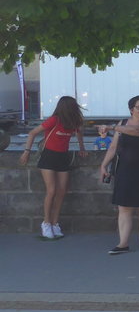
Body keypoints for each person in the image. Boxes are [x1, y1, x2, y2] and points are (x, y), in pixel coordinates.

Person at [99, 95, 139, 255]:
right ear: (131, 109)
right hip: (125, 169)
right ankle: (123, 243)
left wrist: (112, 128)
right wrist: (103, 165)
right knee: (124, 207)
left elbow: (137, 131)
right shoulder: (122, 124)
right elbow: (113, 147)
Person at [18, 95, 86, 240]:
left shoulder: (74, 121)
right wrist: (26, 151)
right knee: (52, 190)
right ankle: (46, 223)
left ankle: (55, 223)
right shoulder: (54, 120)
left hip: (63, 157)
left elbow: (79, 134)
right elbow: (32, 133)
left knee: (62, 191)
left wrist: (82, 148)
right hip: (48, 156)